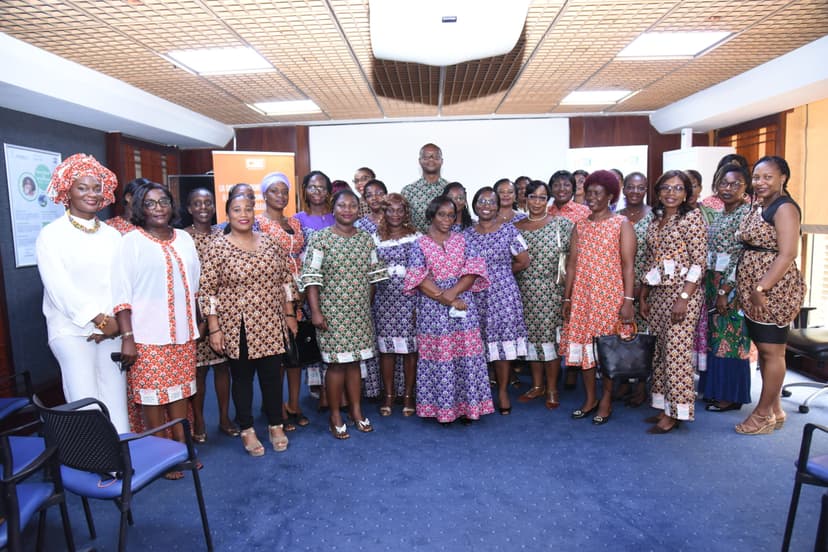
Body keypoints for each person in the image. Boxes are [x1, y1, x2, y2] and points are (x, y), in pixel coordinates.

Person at [36, 153, 129, 433]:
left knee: (115, 397)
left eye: (97, 187)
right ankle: (97, 463)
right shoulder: (52, 235)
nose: (92, 194)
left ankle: (123, 461)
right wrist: (98, 319)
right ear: (67, 191)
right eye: (82, 187)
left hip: (110, 330)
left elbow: (122, 282)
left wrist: (113, 324)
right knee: (85, 400)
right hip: (71, 330)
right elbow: (59, 288)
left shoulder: (112, 235)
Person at [113, 182, 200, 477]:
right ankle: (160, 456)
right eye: (150, 203)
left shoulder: (185, 239)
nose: (159, 208)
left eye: (163, 201)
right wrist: (127, 338)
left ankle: (180, 448)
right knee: (152, 397)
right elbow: (121, 295)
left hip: (184, 334)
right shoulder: (131, 242)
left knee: (179, 393)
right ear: (139, 208)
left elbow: (195, 286)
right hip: (147, 336)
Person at [200, 192, 297, 456]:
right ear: (227, 215)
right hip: (236, 325)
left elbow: (285, 279)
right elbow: (207, 291)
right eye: (236, 210)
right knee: (242, 380)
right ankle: (247, 429)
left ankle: (276, 425)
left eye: (247, 209)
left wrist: (289, 314)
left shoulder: (269, 242)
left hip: (271, 320)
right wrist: (214, 328)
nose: (243, 214)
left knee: (272, 378)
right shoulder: (217, 247)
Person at [301, 190, 388, 440]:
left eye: (352, 206)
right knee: (337, 365)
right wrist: (315, 312)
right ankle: (336, 414)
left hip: (359, 314)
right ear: (334, 208)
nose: (347, 209)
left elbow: (374, 276)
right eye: (342, 205)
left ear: (357, 210)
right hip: (331, 314)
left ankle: (357, 411)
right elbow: (311, 279)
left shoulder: (366, 239)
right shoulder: (320, 239)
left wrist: (364, 305)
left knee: (355, 364)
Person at [403, 196, 493, 424]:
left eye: (451, 215)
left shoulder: (463, 240)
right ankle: (442, 411)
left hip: (463, 305)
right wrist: (447, 300)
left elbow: (473, 270)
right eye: (441, 214)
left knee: (466, 356)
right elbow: (418, 278)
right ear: (431, 215)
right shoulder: (419, 244)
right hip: (433, 311)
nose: (447, 219)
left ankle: (468, 409)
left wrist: (452, 294)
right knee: (439, 357)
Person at [735, 156, 806, 435]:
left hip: (773, 290)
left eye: (768, 177)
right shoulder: (760, 204)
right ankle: (775, 409)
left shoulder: (785, 207)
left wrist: (761, 287)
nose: (760, 183)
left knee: (772, 352)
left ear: (783, 178)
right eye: (756, 177)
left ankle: (763, 414)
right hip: (756, 289)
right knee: (764, 352)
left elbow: (788, 253)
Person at [560, 170, 636, 425]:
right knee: (585, 351)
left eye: (597, 193)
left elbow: (628, 265)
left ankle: (606, 400)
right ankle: (590, 398)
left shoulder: (621, 224)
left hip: (610, 297)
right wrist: (567, 299)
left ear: (611, 196)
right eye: (588, 192)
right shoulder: (580, 225)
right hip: (583, 297)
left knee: (607, 352)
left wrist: (628, 301)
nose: (591, 197)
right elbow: (571, 264)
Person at [640, 170, 708, 434]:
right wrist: (644, 295)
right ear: (657, 192)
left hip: (683, 294)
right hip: (658, 293)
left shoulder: (692, 218)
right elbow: (651, 260)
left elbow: (698, 263)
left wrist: (683, 298)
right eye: (666, 188)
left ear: (687, 193)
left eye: (678, 188)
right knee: (658, 352)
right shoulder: (655, 220)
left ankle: (677, 412)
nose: (671, 193)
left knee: (676, 354)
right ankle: (661, 406)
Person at [465, 187, 530, 414]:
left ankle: (502, 391)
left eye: (491, 202)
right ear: (474, 205)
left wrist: (500, 272)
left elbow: (523, 260)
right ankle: (479, 393)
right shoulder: (465, 235)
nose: (486, 206)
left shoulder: (509, 231)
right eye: (481, 201)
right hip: (473, 295)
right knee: (476, 344)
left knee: (501, 345)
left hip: (502, 295)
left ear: (498, 205)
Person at [184, 188, 238, 441]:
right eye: (197, 203)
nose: (203, 207)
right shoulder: (182, 237)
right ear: (189, 208)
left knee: (222, 368)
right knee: (199, 371)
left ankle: (225, 418)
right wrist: (199, 318)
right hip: (192, 310)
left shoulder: (224, 234)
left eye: (207, 202)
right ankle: (200, 421)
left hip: (222, 310)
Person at [515, 180, 573, 409]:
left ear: (547, 200)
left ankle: (551, 388)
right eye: (532, 197)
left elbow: (572, 260)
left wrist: (569, 294)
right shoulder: (515, 227)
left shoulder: (562, 225)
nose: (537, 202)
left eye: (541, 197)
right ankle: (537, 386)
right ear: (525, 199)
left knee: (550, 341)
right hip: (523, 291)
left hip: (552, 292)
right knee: (532, 340)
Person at [256, 172, 308, 429]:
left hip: (299, 294)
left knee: (295, 355)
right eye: (274, 191)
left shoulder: (296, 223)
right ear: (264, 195)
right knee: (276, 354)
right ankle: (274, 406)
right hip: (272, 295)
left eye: (284, 191)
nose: (280, 196)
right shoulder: (257, 224)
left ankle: (294, 404)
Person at [701, 164, 753, 413]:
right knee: (715, 339)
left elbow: (740, 257)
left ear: (746, 188)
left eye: (736, 184)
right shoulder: (721, 213)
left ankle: (731, 396)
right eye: (724, 183)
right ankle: (715, 390)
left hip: (731, 286)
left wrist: (724, 291)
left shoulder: (746, 215)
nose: (728, 188)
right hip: (713, 282)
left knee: (731, 340)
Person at [372, 193, 420, 416]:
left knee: (410, 351)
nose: (395, 215)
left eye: (400, 210)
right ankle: (389, 395)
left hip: (410, 300)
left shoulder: (416, 237)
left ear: (406, 212)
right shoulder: (374, 238)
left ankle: (409, 395)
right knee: (387, 351)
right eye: (390, 210)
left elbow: (421, 270)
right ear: (383, 212)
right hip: (384, 302)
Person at [547, 169, 592, 391]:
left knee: (575, 320)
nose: (561, 189)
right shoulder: (546, 211)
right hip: (550, 274)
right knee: (556, 323)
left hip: (578, 269)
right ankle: (556, 371)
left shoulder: (584, 212)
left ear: (573, 189)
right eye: (557, 185)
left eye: (566, 185)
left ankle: (574, 370)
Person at [293, 171, 335, 401]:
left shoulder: (336, 216)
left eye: (321, 187)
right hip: (310, 284)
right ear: (305, 191)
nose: (317, 192)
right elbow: (296, 253)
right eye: (312, 187)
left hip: (336, 284)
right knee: (313, 331)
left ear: (329, 192)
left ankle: (333, 381)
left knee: (332, 331)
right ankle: (317, 384)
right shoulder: (297, 219)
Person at [614, 172, 653, 407]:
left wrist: (644, 287)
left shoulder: (655, 217)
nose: (635, 192)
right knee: (622, 334)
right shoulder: (616, 217)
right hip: (617, 285)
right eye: (631, 187)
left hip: (648, 286)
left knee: (643, 337)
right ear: (623, 189)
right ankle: (624, 381)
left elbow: (656, 254)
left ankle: (640, 385)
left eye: (640, 187)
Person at [401, 143, 449, 233]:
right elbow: (402, 222)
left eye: (435, 157)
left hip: (447, 244)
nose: (431, 160)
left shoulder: (451, 190)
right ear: (420, 161)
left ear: (442, 161)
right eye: (426, 157)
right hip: (417, 244)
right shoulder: (408, 191)